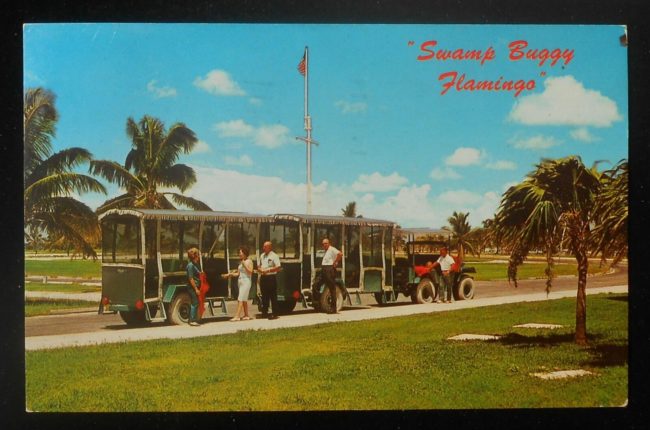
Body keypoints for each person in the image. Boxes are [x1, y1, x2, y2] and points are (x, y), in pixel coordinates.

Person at [223, 246, 254, 321]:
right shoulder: (241, 263)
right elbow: (238, 274)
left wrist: (244, 264)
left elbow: (250, 272)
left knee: (240, 298)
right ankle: (246, 315)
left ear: (244, 253)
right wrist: (229, 275)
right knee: (244, 299)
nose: (239, 254)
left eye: (240, 252)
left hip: (246, 281)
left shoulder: (249, 261)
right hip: (240, 281)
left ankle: (237, 316)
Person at [314, 238, 343, 314]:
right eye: (323, 244)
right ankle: (317, 303)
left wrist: (335, 262)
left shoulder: (332, 249)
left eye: (326, 243)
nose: (324, 245)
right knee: (315, 284)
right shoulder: (325, 251)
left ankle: (333, 308)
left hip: (329, 269)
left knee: (332, 288)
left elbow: (340, 254)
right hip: (323, 269)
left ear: (329, 243)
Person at [258, 241, 281, 320]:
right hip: (263, 277)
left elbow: (278, 267)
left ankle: (275, 313)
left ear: (270, 247)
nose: (263, 248)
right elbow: (259, 266)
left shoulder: (274, 256)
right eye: (263, 246)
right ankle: (264, 313)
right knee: (264, 296)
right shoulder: (262, 256)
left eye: (265, 247)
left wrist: (268, 270)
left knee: (273, 296)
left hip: (271, 277)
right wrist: (260, 270)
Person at [185, 247, 202, 326]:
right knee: (194, 302)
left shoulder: (196, 264)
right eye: (198, 255)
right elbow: (191, 278)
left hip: (197, 286)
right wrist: (196, 289)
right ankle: (192, 320)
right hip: (192, 287)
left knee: (196, 302)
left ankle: (193, 319)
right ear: (195, 256)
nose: (199, 256)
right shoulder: (190, 266)